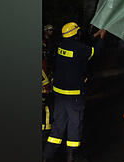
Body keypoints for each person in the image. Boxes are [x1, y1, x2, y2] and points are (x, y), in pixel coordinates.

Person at [43, 22, 103, 162]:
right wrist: (102, 38)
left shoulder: (61, 46)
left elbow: (78, 49)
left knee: (58, 124)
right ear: (76, 34)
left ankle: (46, 155)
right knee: (74, 124)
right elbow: (96, 52)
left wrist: (94, 35)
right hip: (74, 95)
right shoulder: (79, 49)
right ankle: (72, 156)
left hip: (59, 93)